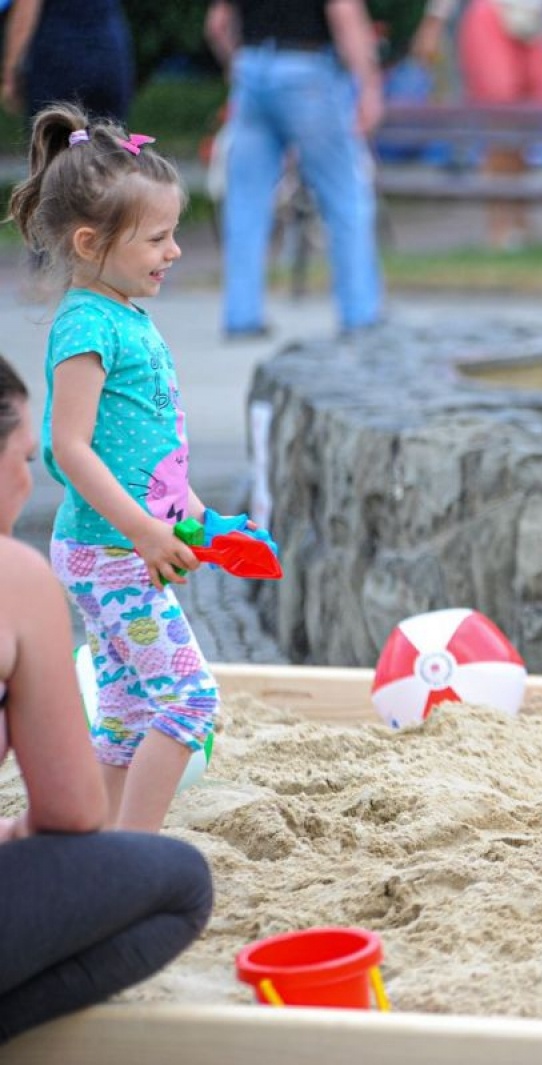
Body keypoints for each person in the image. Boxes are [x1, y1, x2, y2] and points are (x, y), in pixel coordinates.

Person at [6, 103, 226, 833]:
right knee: (189, 701)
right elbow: (69, 446)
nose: (174, 252)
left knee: (131, 712)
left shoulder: (125, 313)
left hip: (118, 544)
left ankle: (94, 846)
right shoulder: (86, 322)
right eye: (158, 238)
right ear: (90, 242)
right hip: (107, 550)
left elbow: (146, 438)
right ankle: (135, 851)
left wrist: (184, 510)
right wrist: (140, 531)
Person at [0, 355, 213, 1046]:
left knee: (125, 715)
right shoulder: (17, 579)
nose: (30, 479)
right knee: (180, 881)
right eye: (22, 456)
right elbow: (71, 811)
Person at [204, 0, 386, 338]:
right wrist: (369, 87)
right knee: (345, 193)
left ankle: (241, 316)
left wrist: (238, 65)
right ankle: (360, 312)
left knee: (245, 201)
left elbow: (218, 22)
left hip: (253, 66)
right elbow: (344, 12)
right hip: (308, 69)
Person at [410, 0, 542, 250]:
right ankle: (498, 228)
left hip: (535, 19)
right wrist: (434, 21)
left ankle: (520, 223)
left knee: (527, 124)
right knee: (499, 121)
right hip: (490, 13)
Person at [1, 0, 135, 123]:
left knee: (54, 140)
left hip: (59, 59)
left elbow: (26, 11)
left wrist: (10, 70)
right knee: (107, 141)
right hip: (111, 52)